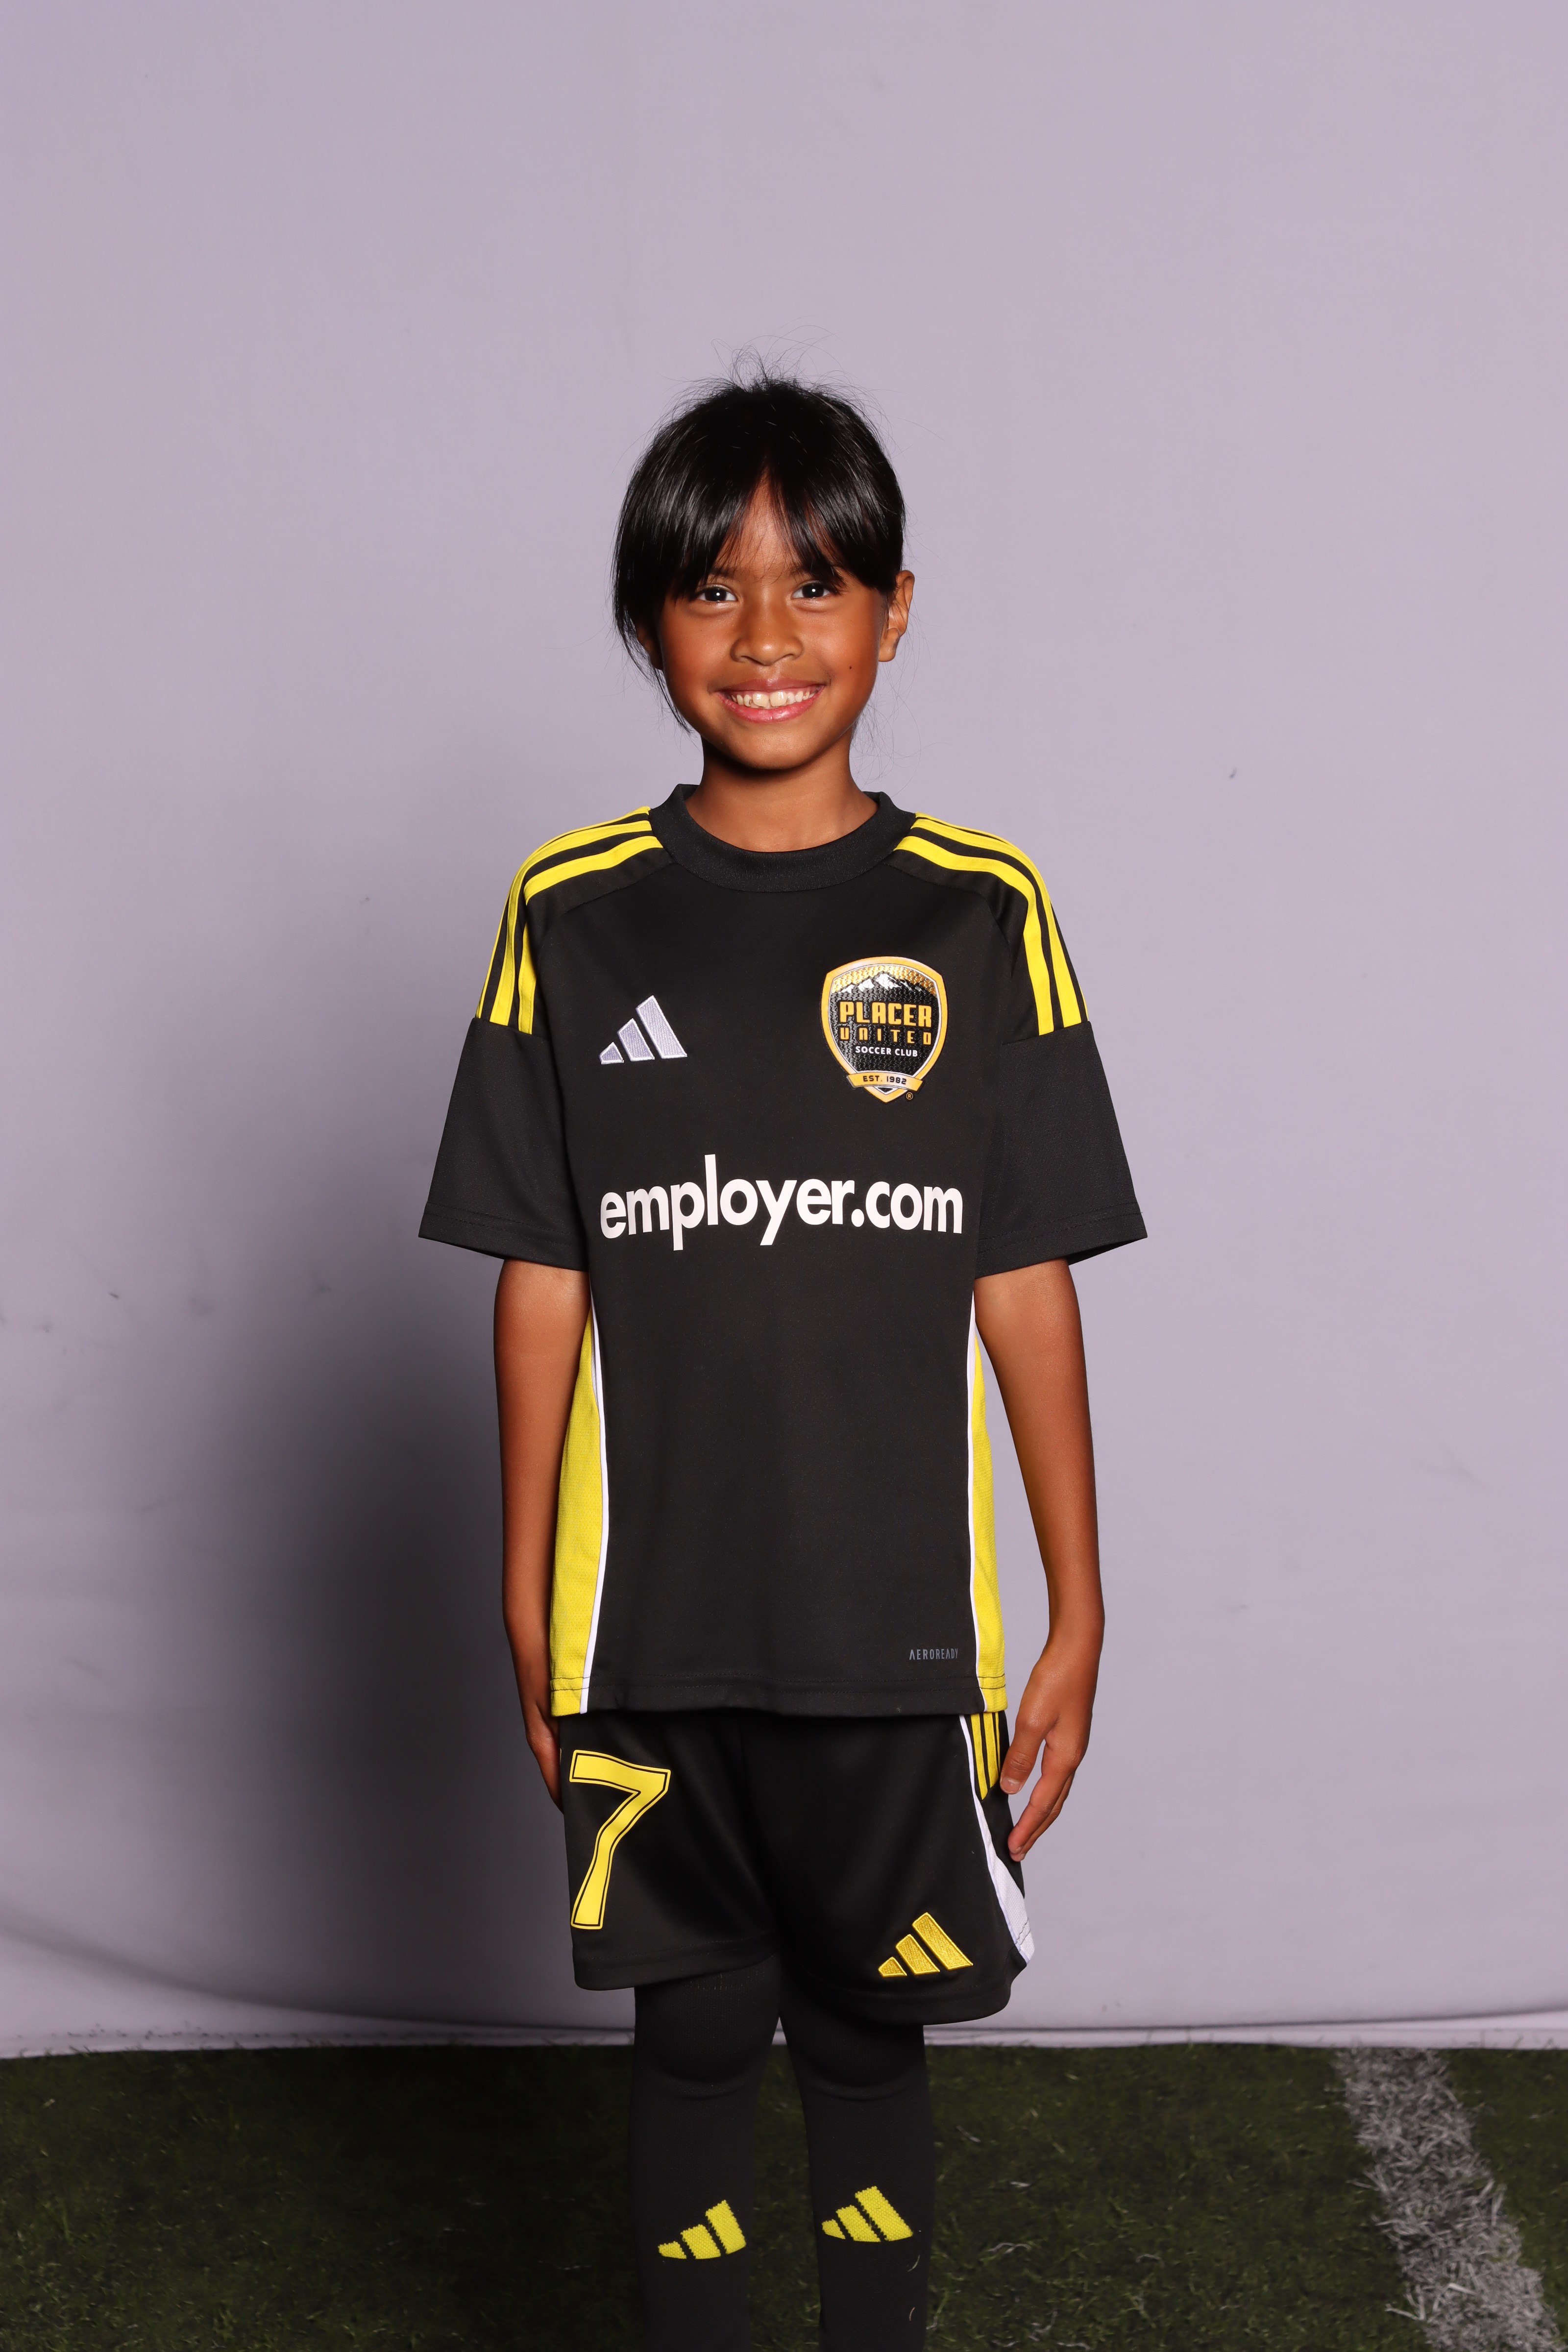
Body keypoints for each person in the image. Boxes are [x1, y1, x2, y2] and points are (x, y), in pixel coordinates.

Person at [419, 371, 1144, 2350]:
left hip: (893, 1631)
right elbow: (542, 1278)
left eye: (815, 585)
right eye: (712, 589)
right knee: (689, 2033)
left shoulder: (979, 910)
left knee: (864, 2037)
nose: (764, 635)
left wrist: (1079, 1599)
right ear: (646, 619)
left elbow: (1022, 1277)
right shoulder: (570, 915)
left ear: (894, 613)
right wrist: (522, 1592)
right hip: (646, 1625)